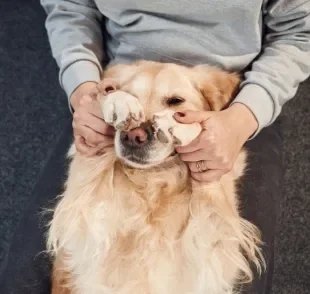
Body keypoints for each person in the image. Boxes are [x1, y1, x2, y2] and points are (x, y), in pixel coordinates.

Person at [1, 1, 309, 293]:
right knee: (27, 282)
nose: (140, 135)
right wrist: (84, 91)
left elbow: (299, 31)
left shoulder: (224, 98)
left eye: (173, 100)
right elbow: (70, 10)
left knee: (236, 280)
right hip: (116, 85)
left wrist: (240, 119)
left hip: (234, 99)